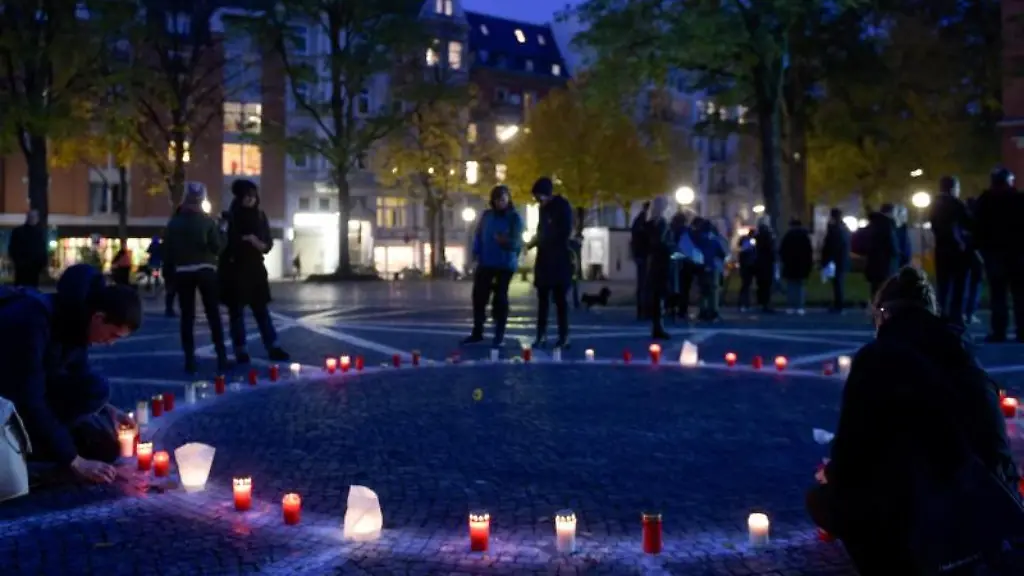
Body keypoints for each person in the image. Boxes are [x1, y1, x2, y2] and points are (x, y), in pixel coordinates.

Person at [806, 267, 1022, 573]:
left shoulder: (878, 358)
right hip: (989, 511)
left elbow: (853, 452)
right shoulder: (963, 354)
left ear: (884, 313)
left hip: (923, 520)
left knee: (821, 499)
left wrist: (833, 473)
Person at [0, 264, 141, 483]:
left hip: (31, 396)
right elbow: (29, 398)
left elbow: (78, 376)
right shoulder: (32, 321)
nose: (111, 343)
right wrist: (74, 460)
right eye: (113, 334)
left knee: (105, 447)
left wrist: (110, 411)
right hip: (9, 403)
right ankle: (25, 449)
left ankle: (46, 444)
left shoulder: (76, 322)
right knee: (96, 391)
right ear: (98, 318)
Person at [219, 179, 290, 364]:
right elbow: (222, 244)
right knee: (236, 314)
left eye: (253, 195)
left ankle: (273, 346)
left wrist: (256, 242)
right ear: (239, 196)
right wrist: (240, 239)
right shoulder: (230, 216)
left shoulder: (260, 215)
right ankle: (240, 349)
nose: (251, 199)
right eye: (247, 196)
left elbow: (268, 243)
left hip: (255, 270)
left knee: (262, 311)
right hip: (234, 270)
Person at [164, 182, 229, 373]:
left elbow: (168, 252)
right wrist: (223, 230)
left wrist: (169, 277)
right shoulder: (207, 221)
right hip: (206, 270)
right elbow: (217, 248)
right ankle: (221, 357)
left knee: (187, 317)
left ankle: (189, 360)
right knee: (213, 315)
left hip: (182, 272)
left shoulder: (174, 223)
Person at [463, 185, 523, 347]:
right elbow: (478, 235)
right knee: (479, 296)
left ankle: (499, 334)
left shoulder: (514, 218)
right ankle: (477, 332)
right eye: (497, 200)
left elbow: (517, 243)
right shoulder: (487, 216)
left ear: (508, 199)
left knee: (500, 298)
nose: (500, 203)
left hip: (504, 264)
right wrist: (476, 252)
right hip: (486, 262)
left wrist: (506, 242)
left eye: (503, 199)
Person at [974, 168, 1024, 342]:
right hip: (1018, 254)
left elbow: (977, 227)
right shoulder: (1018, 199)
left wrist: (980, 248)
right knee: (1020, 295)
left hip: (994, 254)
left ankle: (999, 331)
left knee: (998, 295)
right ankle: (1022, 330)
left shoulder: (985, 201)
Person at [527, 177, 573, 349]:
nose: (538, 200)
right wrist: (532, 243)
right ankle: (541, 334)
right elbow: (541, 230)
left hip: (559, 260)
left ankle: (564, 336)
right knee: (543, 300)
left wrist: (545, 239)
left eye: (539, 196)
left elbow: (564, 231)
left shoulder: (562, 207)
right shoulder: (543, 209)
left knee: (560, 301)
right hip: (544, 260)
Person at [929, 176, 973, 326]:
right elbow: (969, 223)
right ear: (954, 188)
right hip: (957, 251)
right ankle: (956, 317)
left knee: (943, 285)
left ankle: (941, 315)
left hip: (941, 250)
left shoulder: (935, 205)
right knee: (959, 286)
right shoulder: (956, 204)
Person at [645, 196, 673, 339]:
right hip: (661, 261)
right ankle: (658, 326)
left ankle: (657, 325)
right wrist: (671, 248)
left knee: (657, 295)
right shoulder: (660, 223)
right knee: (660, 294)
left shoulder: (650, 223)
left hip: (654, 261)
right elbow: (661, 242)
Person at [692, 218, 728, 321]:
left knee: (703, 290)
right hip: (713, 266)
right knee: (713, 291)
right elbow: (722, 253)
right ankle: (713, 311)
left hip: (701, 267)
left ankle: (703, 311)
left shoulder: (698, 239)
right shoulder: (714, 240)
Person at [861, 203, 900, 297]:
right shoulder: (887, 224)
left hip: (874, 260)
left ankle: (875, 307)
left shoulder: (874, 223)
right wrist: (897, 253)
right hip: (886, 262)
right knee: (885, 287)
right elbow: (892, 244)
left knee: (875, 287)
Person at [779, 218, 813, 315]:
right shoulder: (805, 237)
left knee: (791, 287)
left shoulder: (788, 236)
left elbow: (782, 251)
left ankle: (791, 306)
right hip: (801, 265)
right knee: (800, 286)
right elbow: (809, 252)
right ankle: (800, 306)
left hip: (790, 265)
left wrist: (784, 261)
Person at [820, 208, 851, 313]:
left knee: (837, 283)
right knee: (838, 283)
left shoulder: (835, 229)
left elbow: (831, 246)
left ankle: (838, 305)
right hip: (841, 259)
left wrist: (827, 259)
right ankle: (838, 304)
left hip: (836, 260)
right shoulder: (843, 228)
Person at [8, 209, 48, 288]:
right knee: (21, 290)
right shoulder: (18, 231)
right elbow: (13, 249)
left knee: (31, 289)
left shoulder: (39, 233)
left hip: (34, 268)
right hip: (23, 268)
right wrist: (19, 262)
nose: (33, 218)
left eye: (34, 217)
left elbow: (42, 250)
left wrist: (42, 264)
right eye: (31, 216)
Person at [630, 201, 651, 320]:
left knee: (643, 284)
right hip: (644, 256)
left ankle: (642, 310)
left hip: (641, 255)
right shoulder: (644, 222)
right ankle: (644, 310)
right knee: (644, 284)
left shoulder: (639, 221)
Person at [753, 217, 776, 313]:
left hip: (759, 261)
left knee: (761, 284)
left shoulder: (758, 234)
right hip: (766, 262)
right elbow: (770, 248)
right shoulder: (767, 234)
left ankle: (761, 302)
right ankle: (766, 303)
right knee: (767, 284)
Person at [736, 229, 757, 312]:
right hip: (748, 267)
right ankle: (744, 303)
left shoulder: (744, 243)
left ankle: (744, 303)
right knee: (746, 285)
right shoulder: (750, 245)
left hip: (745, 267)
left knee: (745, 285)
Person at [570, 207, 584, 309]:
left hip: (572, 265)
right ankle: (576, 302)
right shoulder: (573, 243)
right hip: (572, 265)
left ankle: (576, 302)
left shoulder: (573, 242)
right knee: (573, 285)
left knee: (573, 285)